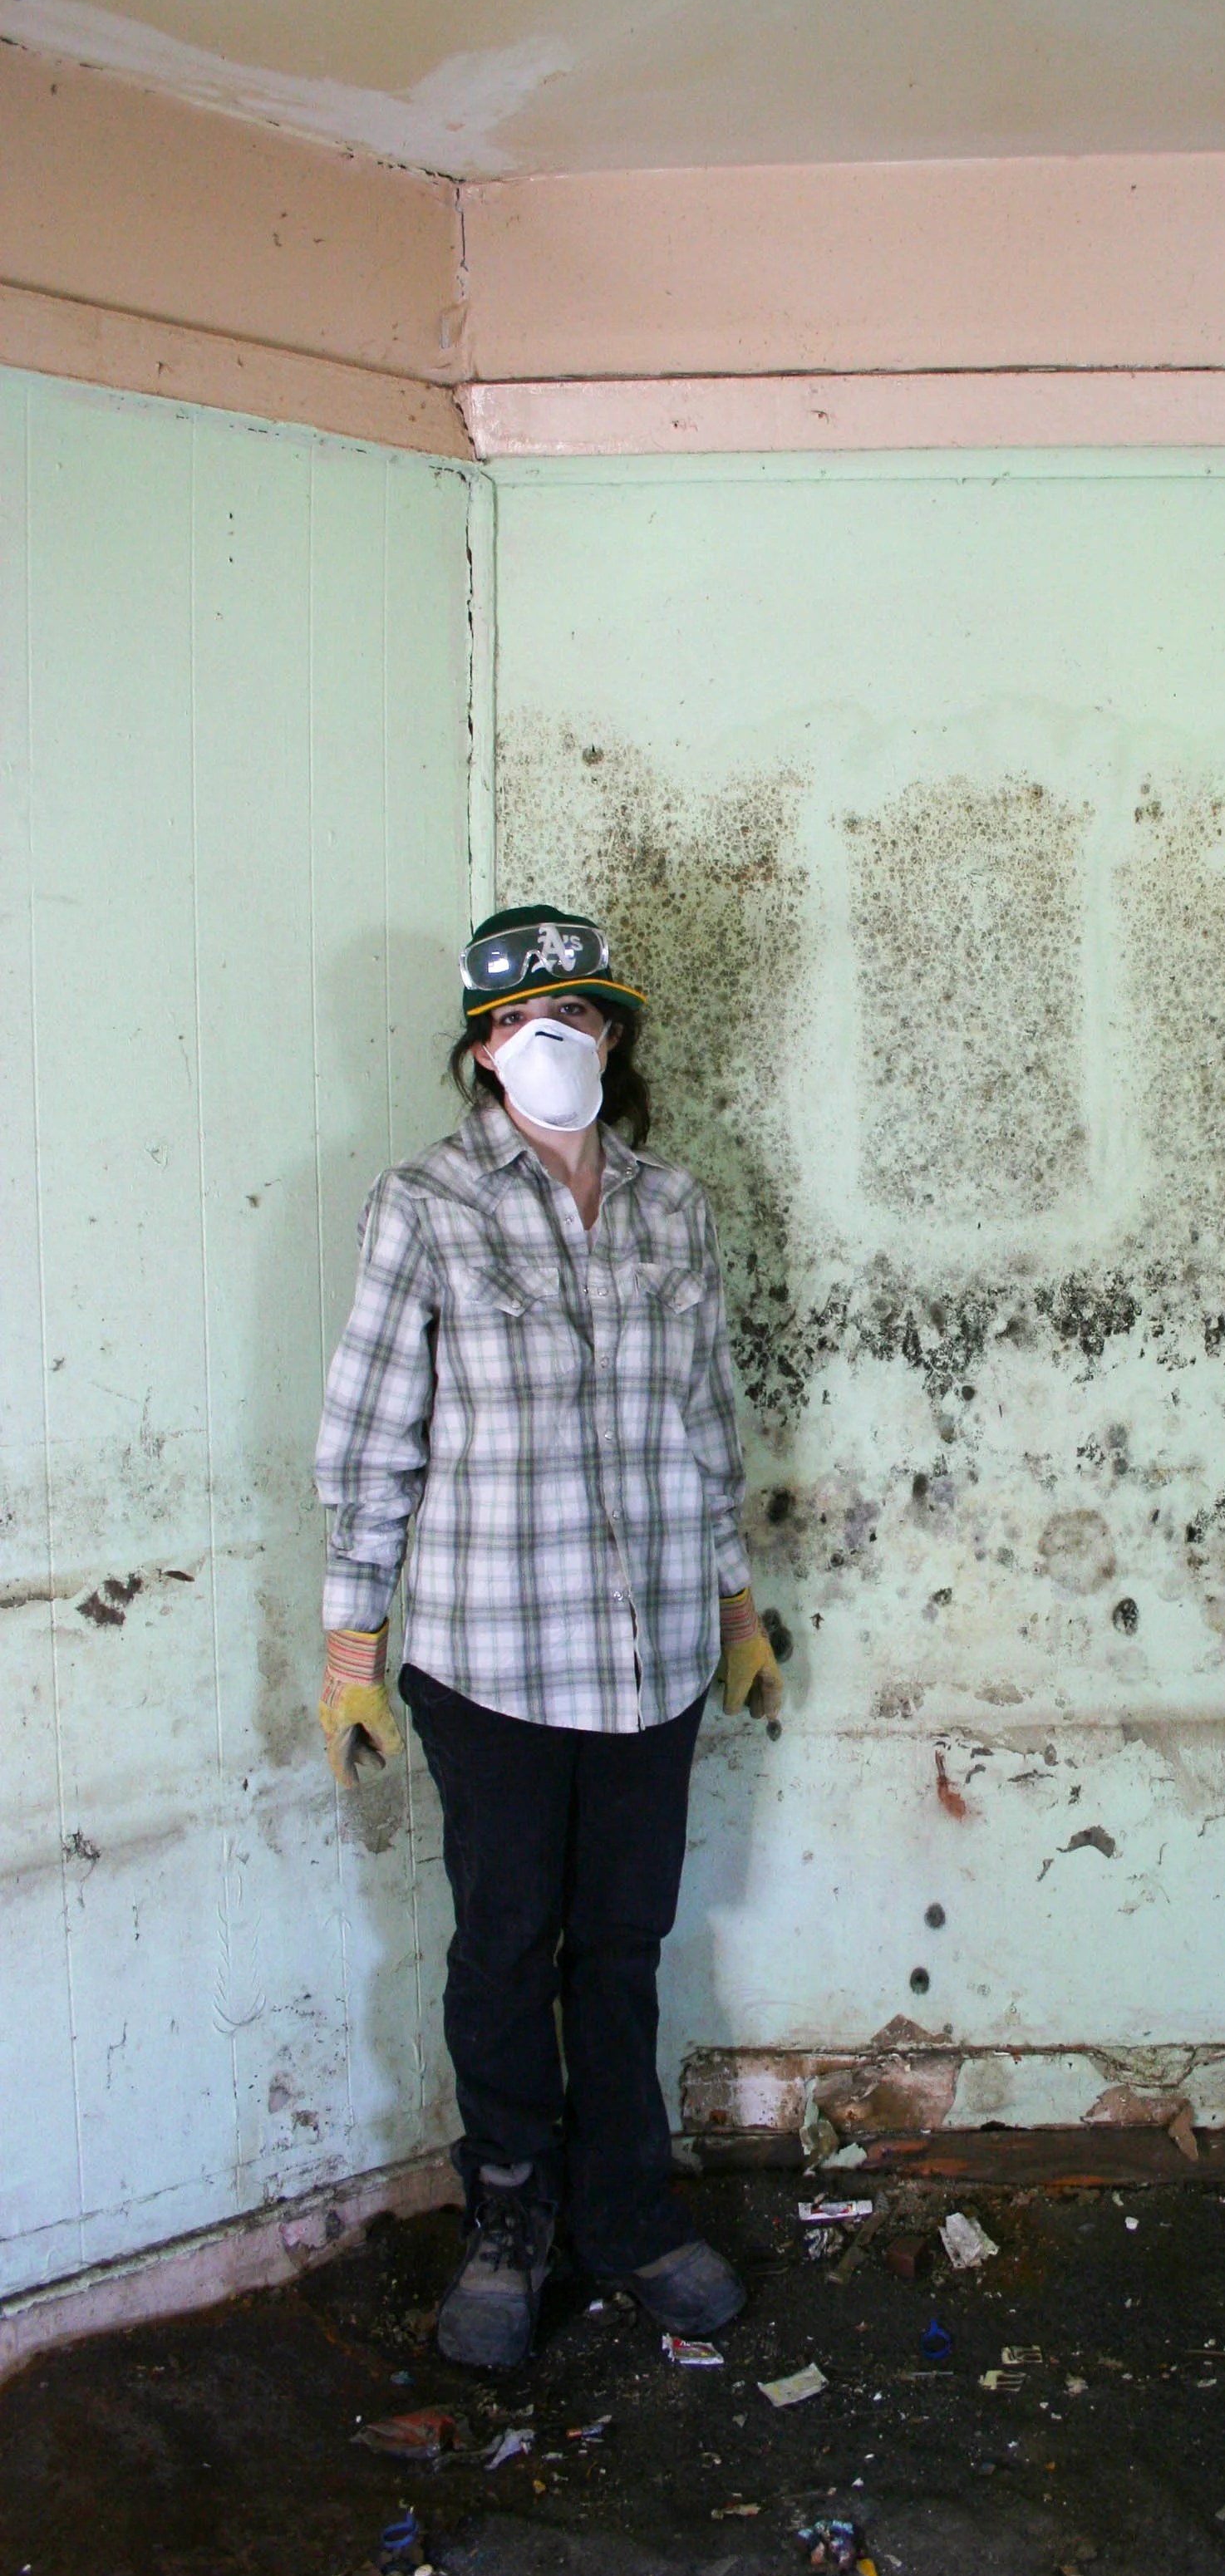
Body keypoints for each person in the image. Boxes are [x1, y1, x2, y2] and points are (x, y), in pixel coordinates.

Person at [313, 904, 781, 2368]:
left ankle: (629, 2215)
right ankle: (508, 2222)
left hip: (650, 1656)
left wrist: (738, 1608)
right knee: (508, 1944)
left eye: (576, 1015)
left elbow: (708, 1425)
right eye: (522, 1023)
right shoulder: (427, 1206)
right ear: (483, 1051)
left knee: (625, 1946)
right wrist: (349, 1645)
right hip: (492, 1659)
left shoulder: (675, 1210)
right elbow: (371, 1435)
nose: (553, 1040)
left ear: (616, 1037)